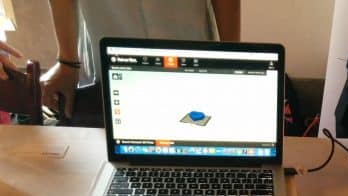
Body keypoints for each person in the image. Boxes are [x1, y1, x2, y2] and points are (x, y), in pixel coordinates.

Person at [41, 0, 240, 121]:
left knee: (195, 140)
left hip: (190, 57)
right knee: (114, 160)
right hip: (108, 63)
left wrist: (233, 58)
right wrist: (67, 60)